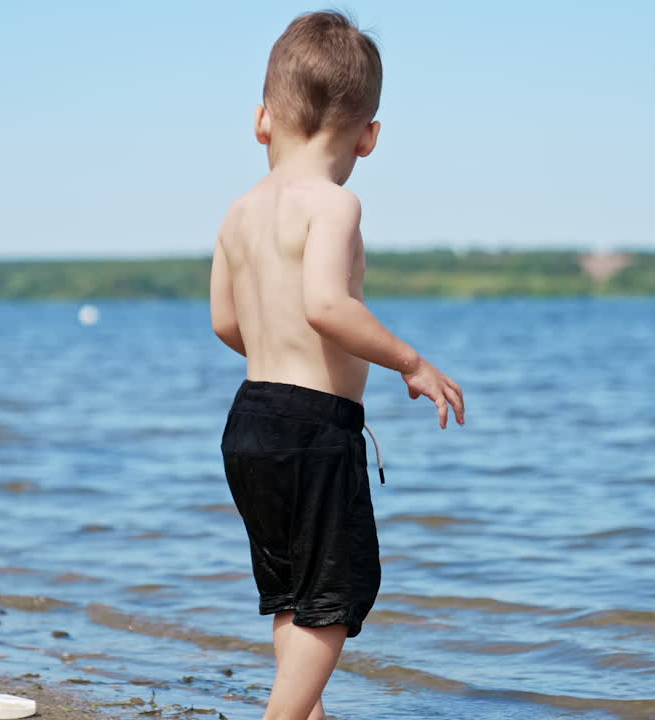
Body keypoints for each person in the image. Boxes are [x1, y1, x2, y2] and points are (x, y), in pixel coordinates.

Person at [209, 10, 465, 720]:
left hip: (250, 422)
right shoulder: (336, 204)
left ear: (262, 120)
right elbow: (327, 304)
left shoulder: (238, 212)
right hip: (313, 428)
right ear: (369, 136)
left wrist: (275, 348)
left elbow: (225, 322)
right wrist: (409, 361)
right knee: (335, 597)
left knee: (295, 592)